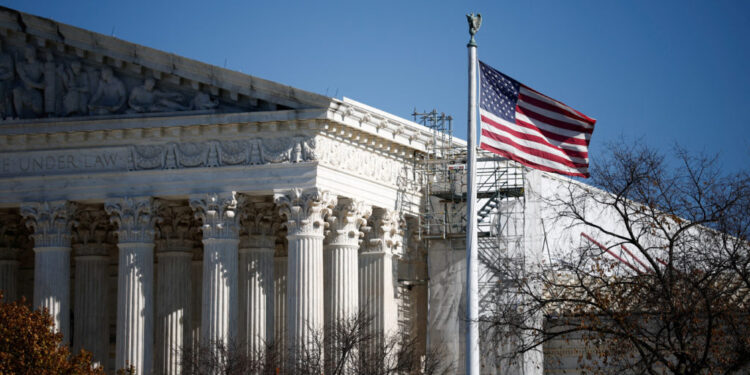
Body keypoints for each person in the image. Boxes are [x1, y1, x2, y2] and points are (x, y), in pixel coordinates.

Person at [13, 47, 44, 118]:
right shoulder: (22, 65)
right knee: (16, 91)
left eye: (28, 51)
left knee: (38, 109)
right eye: (26, 52)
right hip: (23, 91)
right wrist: (39, 85)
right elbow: (25, 78)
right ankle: (19, 116)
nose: (26, 53)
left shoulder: (39, 65)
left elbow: (48, 75)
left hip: (34, 93)